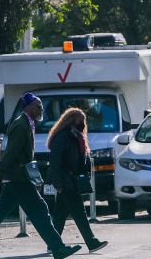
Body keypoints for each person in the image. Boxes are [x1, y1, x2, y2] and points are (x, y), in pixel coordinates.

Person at [0, 93, 81, 259]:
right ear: (28, 107)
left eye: (41, 106)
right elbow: (9, 155)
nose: (41, 109)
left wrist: (34, 178)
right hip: (18, 179)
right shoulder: (21, 125)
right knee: (40, 211)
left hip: (18, 178)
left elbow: (24, 156)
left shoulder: (27, 123)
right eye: (38, 106)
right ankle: (58, 248)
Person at [47, 107, 108, 253]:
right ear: (71, 120)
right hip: (65, 181)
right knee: (79, 212)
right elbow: (54, 162)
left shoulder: (76, 136)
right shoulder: (63, 137)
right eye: (80, 120)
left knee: (60, 214)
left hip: (71, 180)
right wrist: (58, 183)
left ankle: (52, 244)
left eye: (83, 121)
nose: (82, 123)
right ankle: (91, 242)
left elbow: (79, 159)